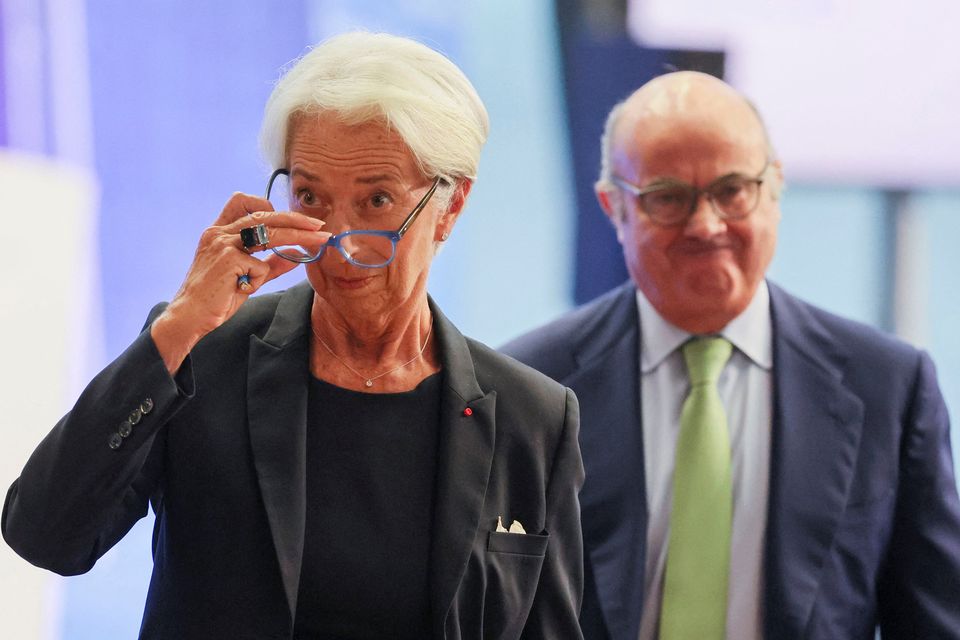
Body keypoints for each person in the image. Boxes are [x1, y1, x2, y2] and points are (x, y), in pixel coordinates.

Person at [3, 32, 584, 639]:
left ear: (452, 204)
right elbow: (44, 535)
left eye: (377, 200)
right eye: (310, 197)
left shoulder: (532, 418)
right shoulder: (203, 354)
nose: (338, 241)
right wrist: (175, 331)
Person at [502, 71, 960, 639]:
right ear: (613, 208)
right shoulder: (527, 389)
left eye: (732, 190)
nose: (706, 225)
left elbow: (934, 622)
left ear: (774, 188)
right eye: (667, 198)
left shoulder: (890, 389)